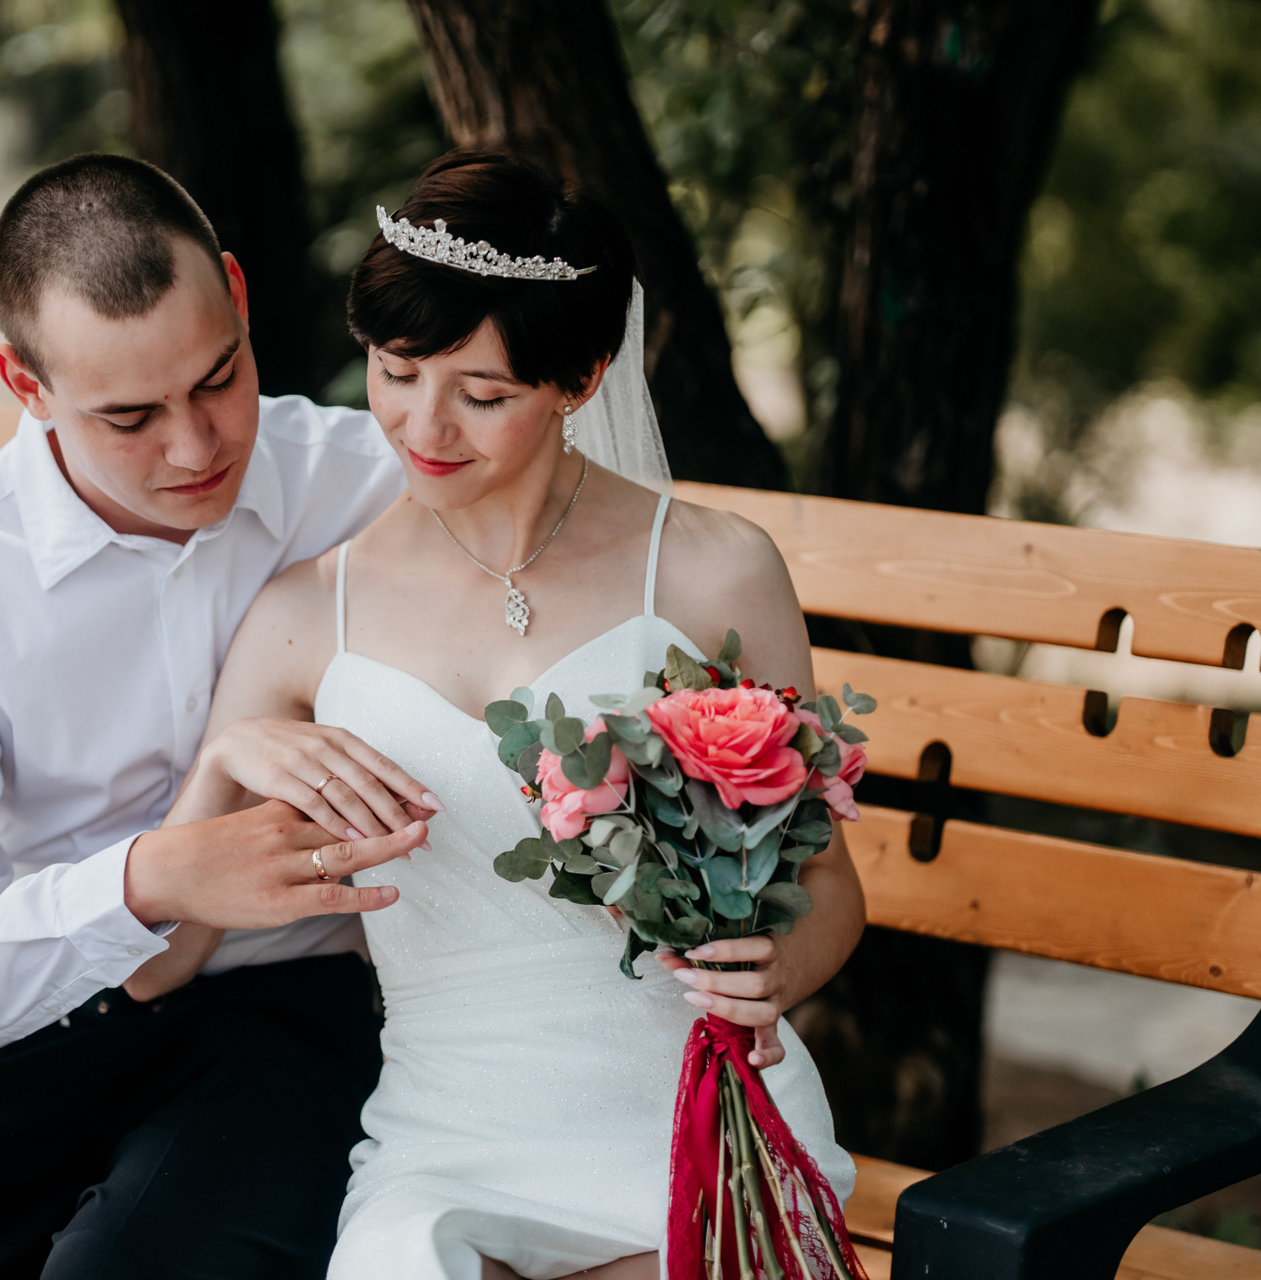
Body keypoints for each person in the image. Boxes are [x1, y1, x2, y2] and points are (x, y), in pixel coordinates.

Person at [138, 151, 866, 1280]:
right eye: (395, 370)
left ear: (582, 379)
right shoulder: (305, 615)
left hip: (686, 1107)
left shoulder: (714, 570)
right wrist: (224, 765)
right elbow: (160, 964)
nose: (423, 425)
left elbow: (829, 887)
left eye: (483, 395)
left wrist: (780, 969)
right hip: (448, 1142)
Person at [0, 153, 441, 1280]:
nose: (196, 447)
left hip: (285, 1015)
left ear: (237, 296)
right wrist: (150, 880)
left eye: (218, 378)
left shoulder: (372, 485)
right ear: (25, 383)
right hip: (30, 1018)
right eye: (129, 416)